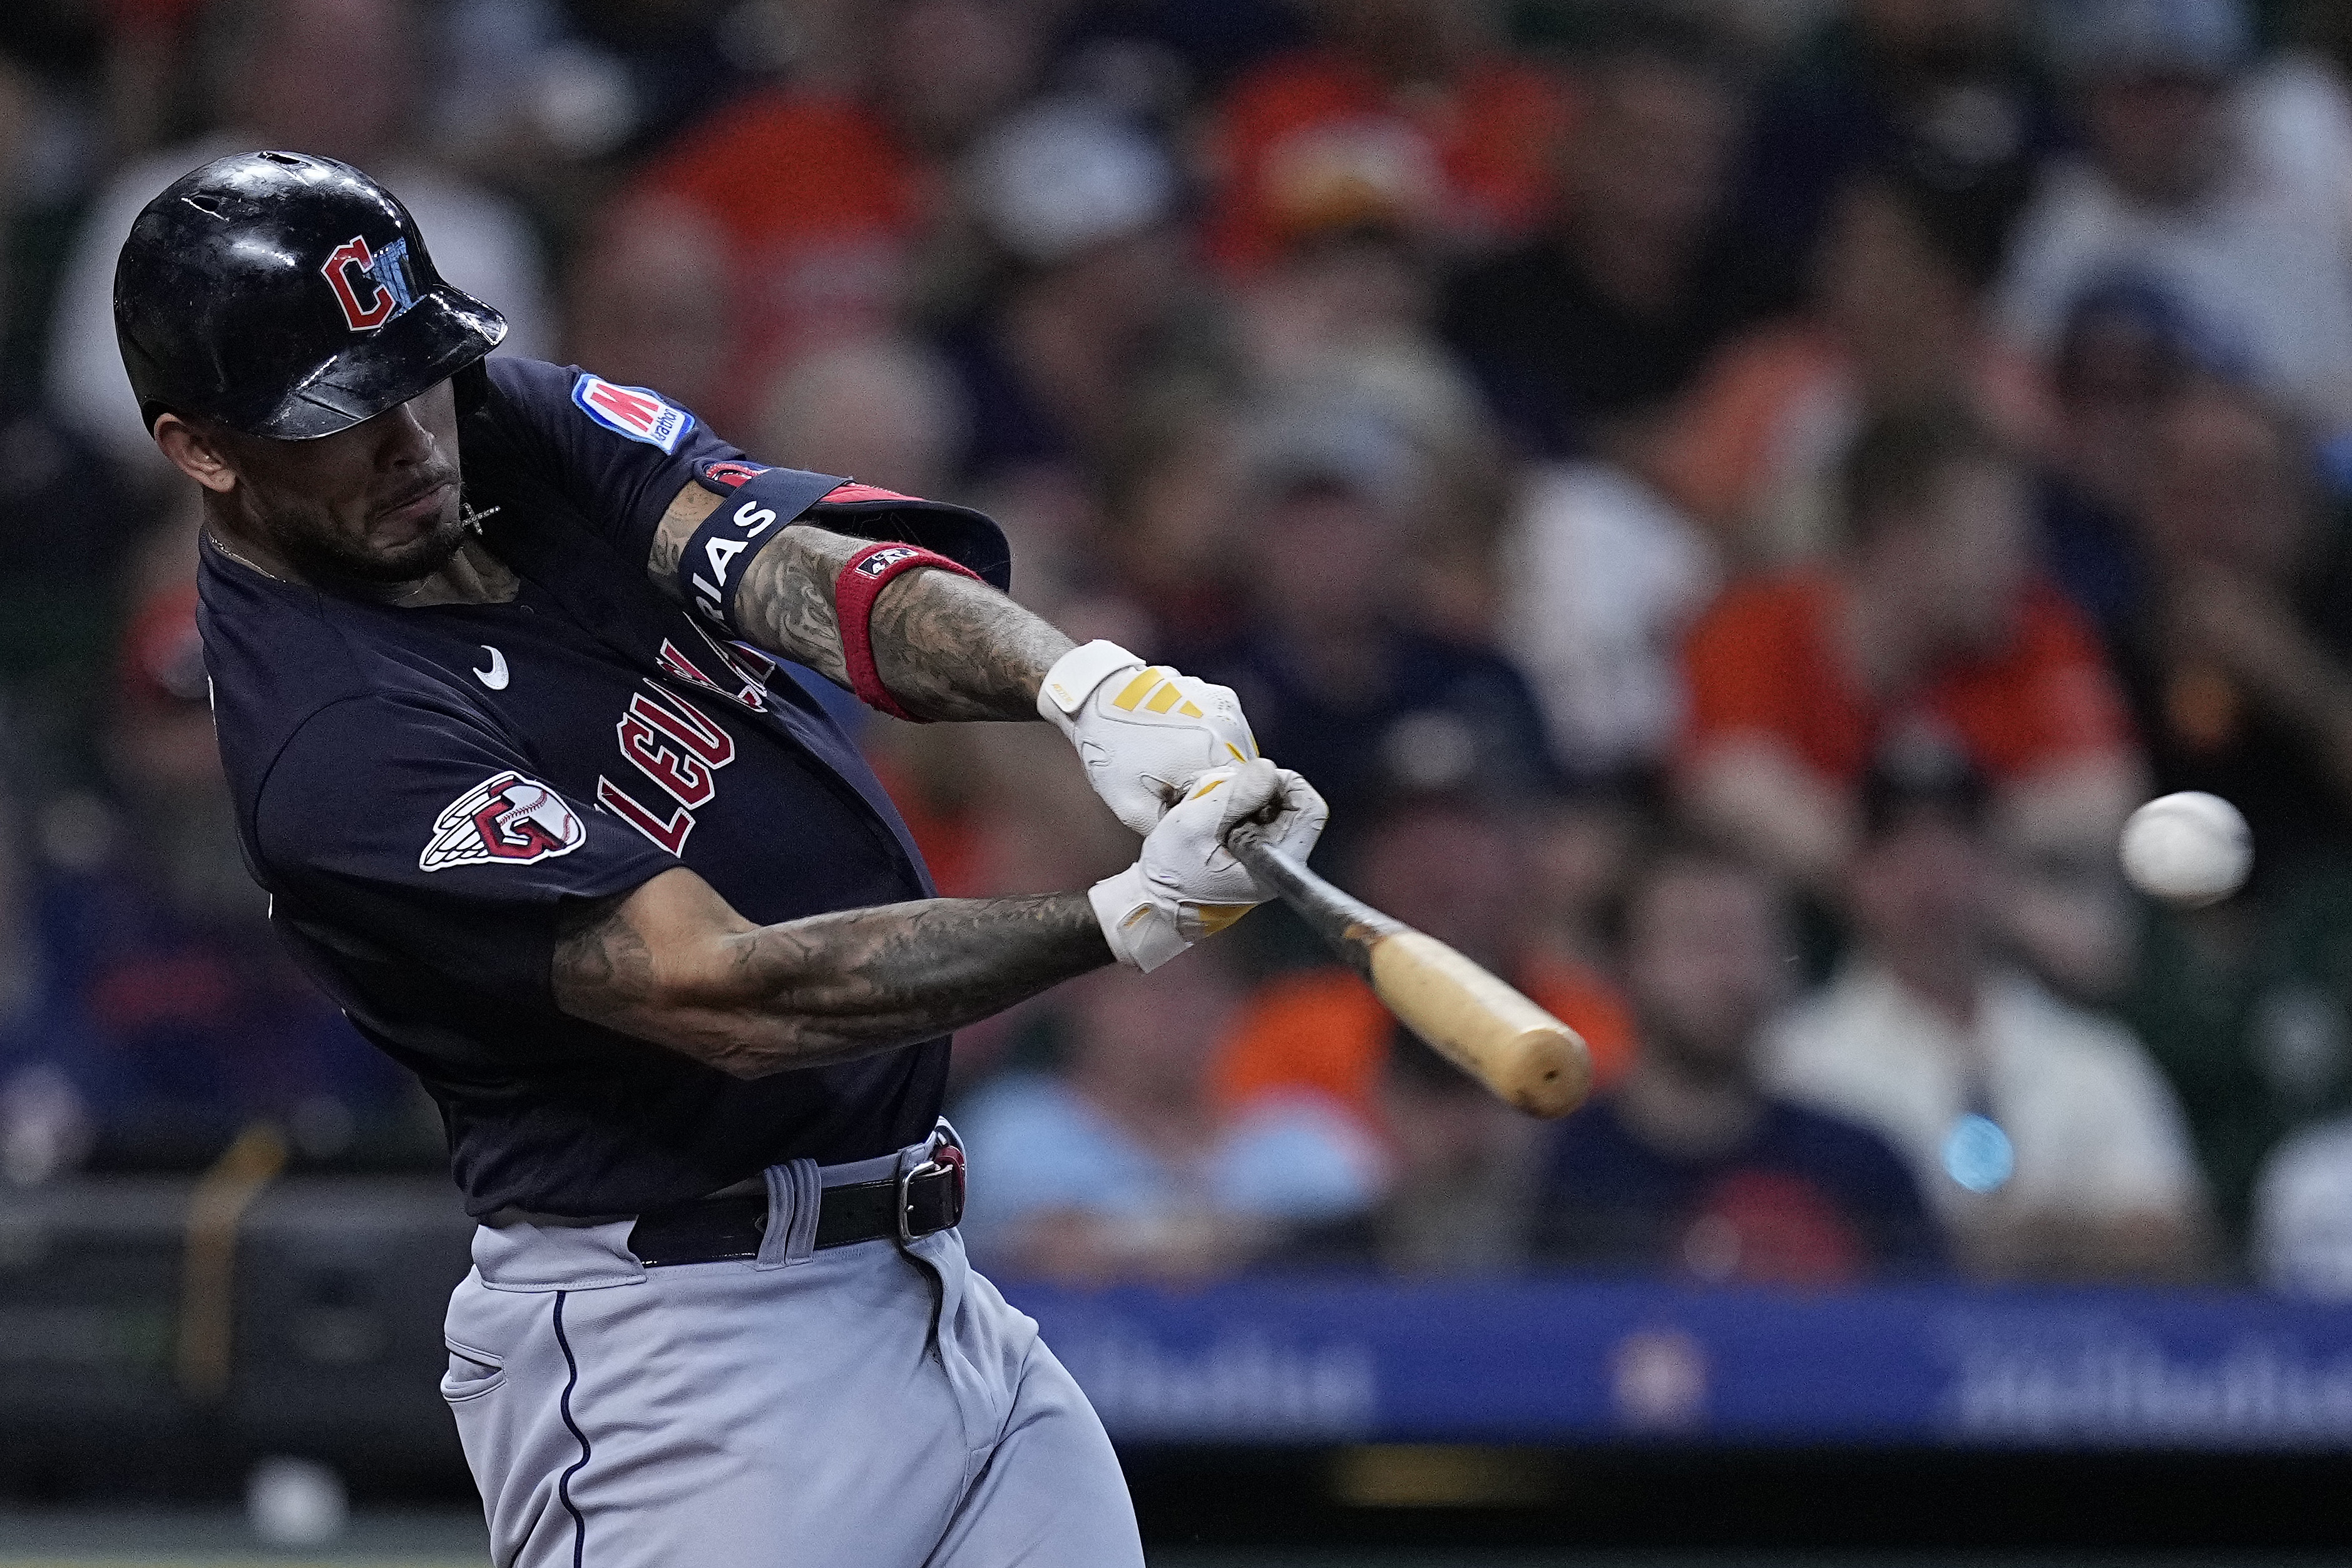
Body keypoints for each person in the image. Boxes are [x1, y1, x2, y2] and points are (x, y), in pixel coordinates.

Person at [117, 152, 1332, 1568]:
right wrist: (1122, 918)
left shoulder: (482, 427)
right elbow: (729, 992)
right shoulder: (332, 744)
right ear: (201, 447)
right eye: (342, 416)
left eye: (416, 375)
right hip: (686, 1361)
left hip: (934, 1287)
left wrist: (1083, 689)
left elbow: (789, 571)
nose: (411, 442)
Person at [1765, 742, 2209, 1281]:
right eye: (1900, 852)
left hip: (2063, 1356)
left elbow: (2177, 1234)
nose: (1931, 878)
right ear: (1856, 877)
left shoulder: (2092, 1058)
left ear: (1999, 869)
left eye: (1957, 845)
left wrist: (2045, 1238)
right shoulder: (1795, 1062)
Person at [47, 0, 551, 464]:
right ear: (250, 65)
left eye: (371, 62)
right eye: (318, 58)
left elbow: (498, 418)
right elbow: (98, 409)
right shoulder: (153, 205)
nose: (343, 84)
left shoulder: (480, 235)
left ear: (414, 78)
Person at [1675, 402, 2136, 892]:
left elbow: (2107, 795)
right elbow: (1730, 787)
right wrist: (1932, 883)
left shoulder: (2035, 630)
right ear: (1900, 537)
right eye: (1991, 539)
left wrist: (1937, 852)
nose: (2018, 563)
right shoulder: (1754, 627)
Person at [1539, 842, 1941, 1283]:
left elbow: (1929, 1326)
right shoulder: (1560, 1169)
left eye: (1750, 942)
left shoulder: (1862, 1166)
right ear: (1626, 968)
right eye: (1698, 945)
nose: (1728, 974)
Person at [1998, 0, 2352, 440]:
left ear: (2222, 92)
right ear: (2088, 102)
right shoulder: (2063, 222)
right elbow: (2010, 393)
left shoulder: (2295, 185)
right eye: (2130, 93)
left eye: (2174, 89)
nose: (2155, 119)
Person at [954, 952, 1379, 1283]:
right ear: (1087, 998)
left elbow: (1366, 1251)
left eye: (1200, 985)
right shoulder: (1011, 1129)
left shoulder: (1308, 1137)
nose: (1179, 1009)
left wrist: (1122, 1242)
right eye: (1152, 985)